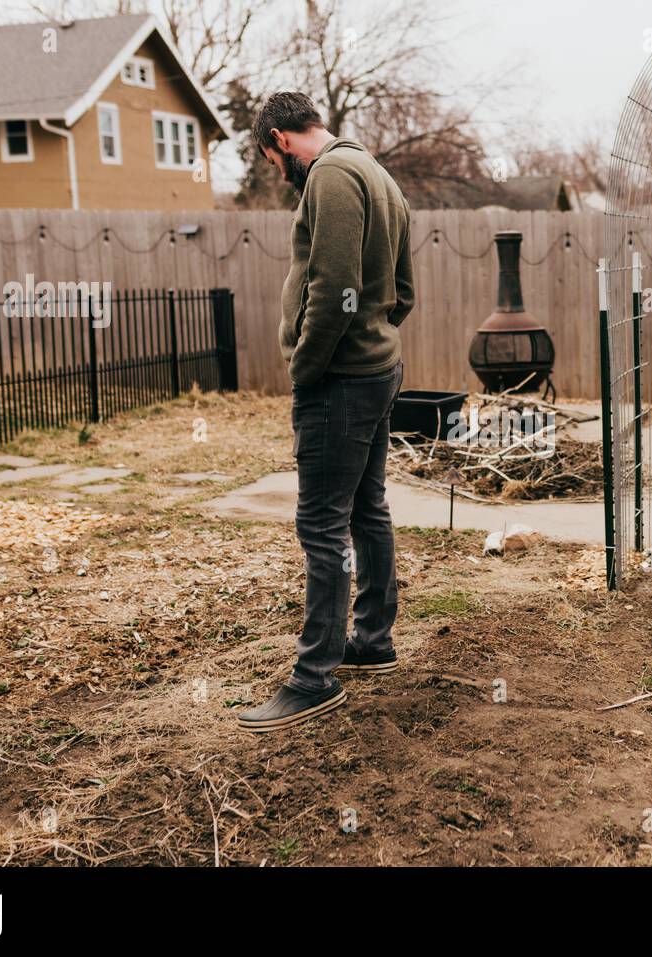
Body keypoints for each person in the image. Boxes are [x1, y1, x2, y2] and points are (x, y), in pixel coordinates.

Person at [238, 92, 415, 733]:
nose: (276, 172)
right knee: (367, 508)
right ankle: (373, 639)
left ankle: (313, 678)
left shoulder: (333, 176)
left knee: (321, 525)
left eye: (269, 157)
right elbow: (403, 291)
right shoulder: (374, 170)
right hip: (376, 370)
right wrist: (377, 337)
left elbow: (336, 291)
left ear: (281, 140)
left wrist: (309, 368)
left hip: (340, 380)